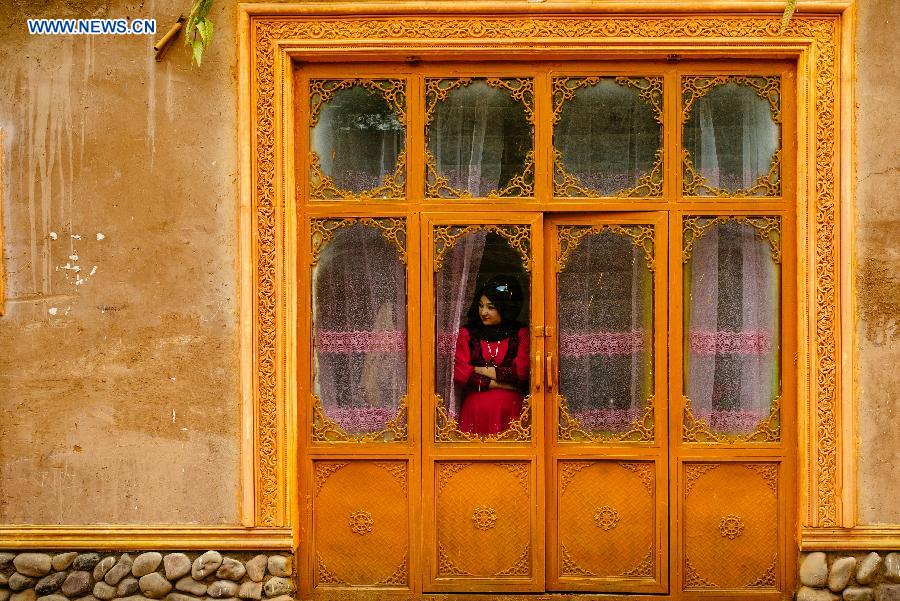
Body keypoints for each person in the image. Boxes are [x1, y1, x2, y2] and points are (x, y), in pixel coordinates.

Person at [453, 275, 530, 434]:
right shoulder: (468, 333)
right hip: (474, 411)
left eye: (491, 307)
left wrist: (479, 369)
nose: (483, 312)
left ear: (505, 308)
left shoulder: (521, 333)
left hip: (511, 412)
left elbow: (520, 373)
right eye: (481, 306)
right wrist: (502, 384)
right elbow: (462, 375)